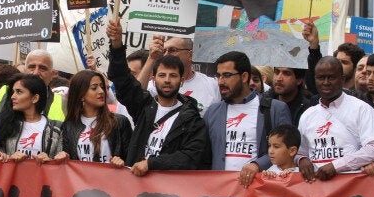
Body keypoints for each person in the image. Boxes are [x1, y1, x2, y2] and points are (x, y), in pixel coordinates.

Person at [106, 19, 211, 176]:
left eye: (173, 75)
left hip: (167, 191)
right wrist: (117, 43)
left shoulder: (192, 118)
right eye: (162, 75)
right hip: (135, 185)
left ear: (182, 80)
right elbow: (122, 79)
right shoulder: (143, 106)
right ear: (153, 79)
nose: (167, 80)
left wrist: (151, 163)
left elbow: (190, 157)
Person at [202, 51, 292, 187]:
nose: (220, 82)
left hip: (259, 193)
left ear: (244, 77)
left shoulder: (275, 109)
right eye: (218, 76)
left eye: (227, 76)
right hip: (220, 194)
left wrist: (257, 165)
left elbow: (287, 151)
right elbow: (204, 156)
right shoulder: (213, 112)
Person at [297, 56, 374, 181]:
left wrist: (337, 166)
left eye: (331, 77)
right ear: (315, 79)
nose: (326, 82)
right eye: (321, 78)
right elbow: (300, 151)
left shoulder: (361, 109)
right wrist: (301, 159)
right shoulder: (307, 115)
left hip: (350, 188)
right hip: (315, 192)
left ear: (342, 79)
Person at [0, 49, 66, 148]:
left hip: (44, 166)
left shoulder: (63, 104)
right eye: (31, 67)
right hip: (4, 164)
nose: (36, 72)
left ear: (52, 74)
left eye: (42, 68)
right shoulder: (5, 95)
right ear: (24, 71)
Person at [54, 70, 132, 167]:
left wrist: (121, 163)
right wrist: (62, 157)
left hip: (112, 180)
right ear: (81, 96)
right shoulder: (69, 126)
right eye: (94, 88)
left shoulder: (119, 122)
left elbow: (132, 159)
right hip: (81, 181)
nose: (101, 91)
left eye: (102, 87)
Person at [138, 35, 220, 116]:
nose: (166, 54)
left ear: (190, 55)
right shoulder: (156, 84)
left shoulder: (212, 85)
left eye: (172, 50)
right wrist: (151, 57)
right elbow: (135, 95)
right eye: (164, 51)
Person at [0, 74, 62, 164]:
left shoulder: (57, 128)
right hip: (13, 177)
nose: (13, 96)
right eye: (13, 92)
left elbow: (61, 164)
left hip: (43, 177)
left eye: (19, 92)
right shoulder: (5, 124)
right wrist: (9, 159)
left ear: (35, 98)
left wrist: (49, 161)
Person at [303, 21, 366, 98]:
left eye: (344, 62)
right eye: (336, 61)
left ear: (356, 68)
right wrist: (314, 45)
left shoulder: (361, 98)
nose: (338, 65)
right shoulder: (324, 92)